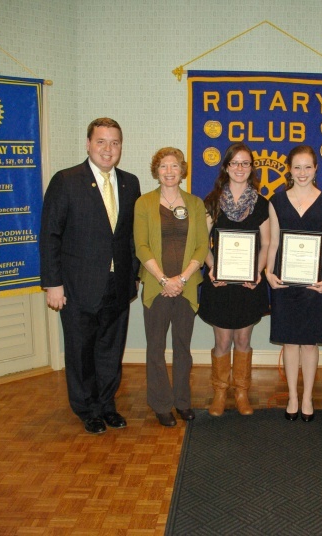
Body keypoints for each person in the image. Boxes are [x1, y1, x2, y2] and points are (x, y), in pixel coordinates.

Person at [40, 117, 140, 435]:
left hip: (118, 284)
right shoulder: (66, 181)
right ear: (88, 144)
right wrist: (52, 284)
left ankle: (107, 405)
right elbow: (50, 236)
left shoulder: (130, 182)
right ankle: (87, 409)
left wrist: (134, 275)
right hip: (77, 286)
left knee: (111, 349)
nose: (108, 149)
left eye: (114, 143)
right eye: (101, 142)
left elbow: (129, 236)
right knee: (82, 349)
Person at [134, 147, 208, 427]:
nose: (169, 171)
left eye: (174, 166)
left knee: (182, 347)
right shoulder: (143, 203)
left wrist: (182, 279)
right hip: (156, 286)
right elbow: (141, 245)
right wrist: (164, 280)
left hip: (186, 286)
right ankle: (161, 403)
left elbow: (202, 245)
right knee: (155, 347)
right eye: (163, 166)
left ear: (182, 170)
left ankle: (182, 401)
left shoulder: (195, 203)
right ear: (156, 171)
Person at [266, 145, 322, 423]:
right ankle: (292, 397)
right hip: (284, 282)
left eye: (308, 167)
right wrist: (268, 272)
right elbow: (272, 242)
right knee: (290, 343)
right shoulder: (277, 201)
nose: (302, 172)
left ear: (316, 169)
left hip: (314, 283)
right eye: (297, 167)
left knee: (309, 343)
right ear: (289, 170)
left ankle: (307, 397)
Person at [199, 143, 270, 416]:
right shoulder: (212, 202)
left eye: (245, 163)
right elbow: (201, 242)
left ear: (251, 168)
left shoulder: (262, 204)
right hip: (220, 282)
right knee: (222, 342)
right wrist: (212, 267)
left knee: (243, 340)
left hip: (248, 284)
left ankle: (241, 392)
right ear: (226, 167)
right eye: (235, 163)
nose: (240, 168)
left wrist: (258, 273)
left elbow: (266, 244)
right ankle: (219, 391)